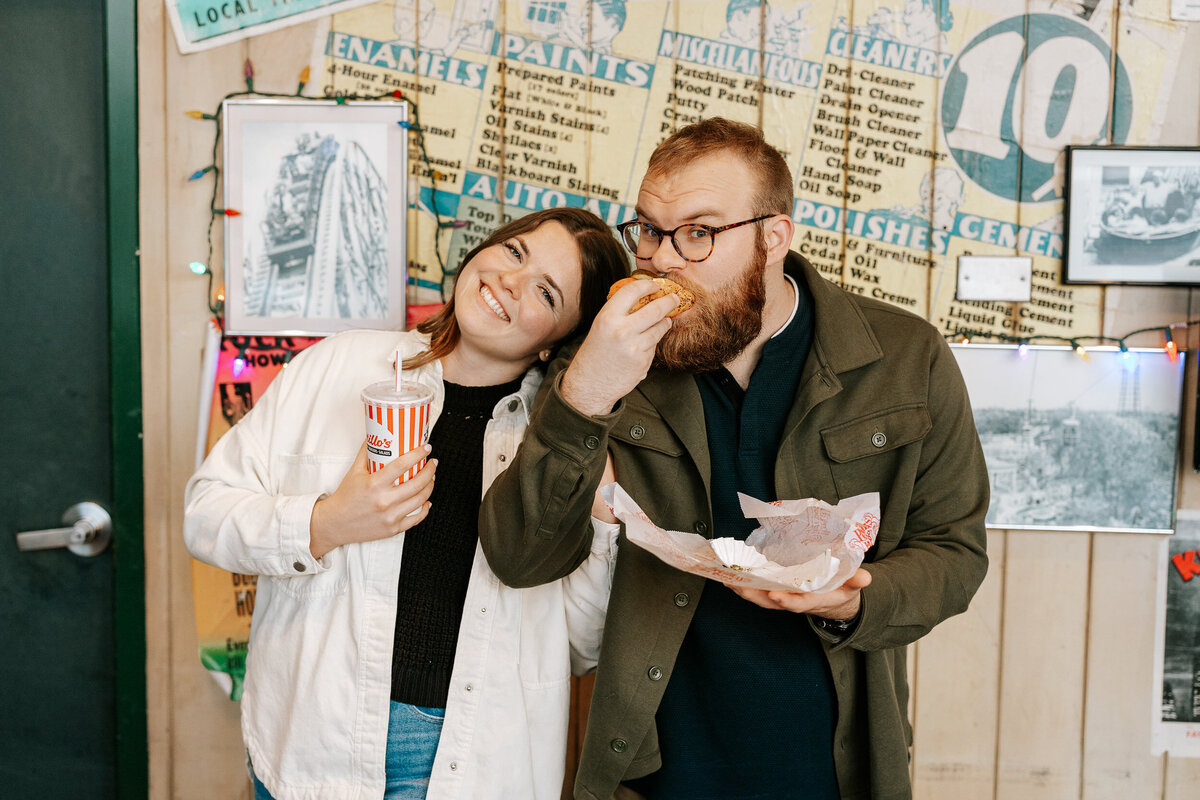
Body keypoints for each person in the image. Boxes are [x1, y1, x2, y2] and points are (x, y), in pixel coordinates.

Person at [479, 118, 989, 800]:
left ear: (773, 237)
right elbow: (521, 556)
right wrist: (588, 392)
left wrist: (850, 603)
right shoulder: (604, 355)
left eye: (699, 232)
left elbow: (954, 552)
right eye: (651, 231)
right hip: (654, 768)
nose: (662, 259)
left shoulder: (905, 357)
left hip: (832, 765)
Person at [184, 207, 630, 800]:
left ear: (557, 343)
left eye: (545, 293)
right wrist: (324, 523)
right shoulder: (338, 365)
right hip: (312, 741)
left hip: (465, 761)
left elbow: (577, 646)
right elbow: (206, 512)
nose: (509, 282)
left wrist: (601, 515)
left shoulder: (555, 452)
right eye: (515, 253)